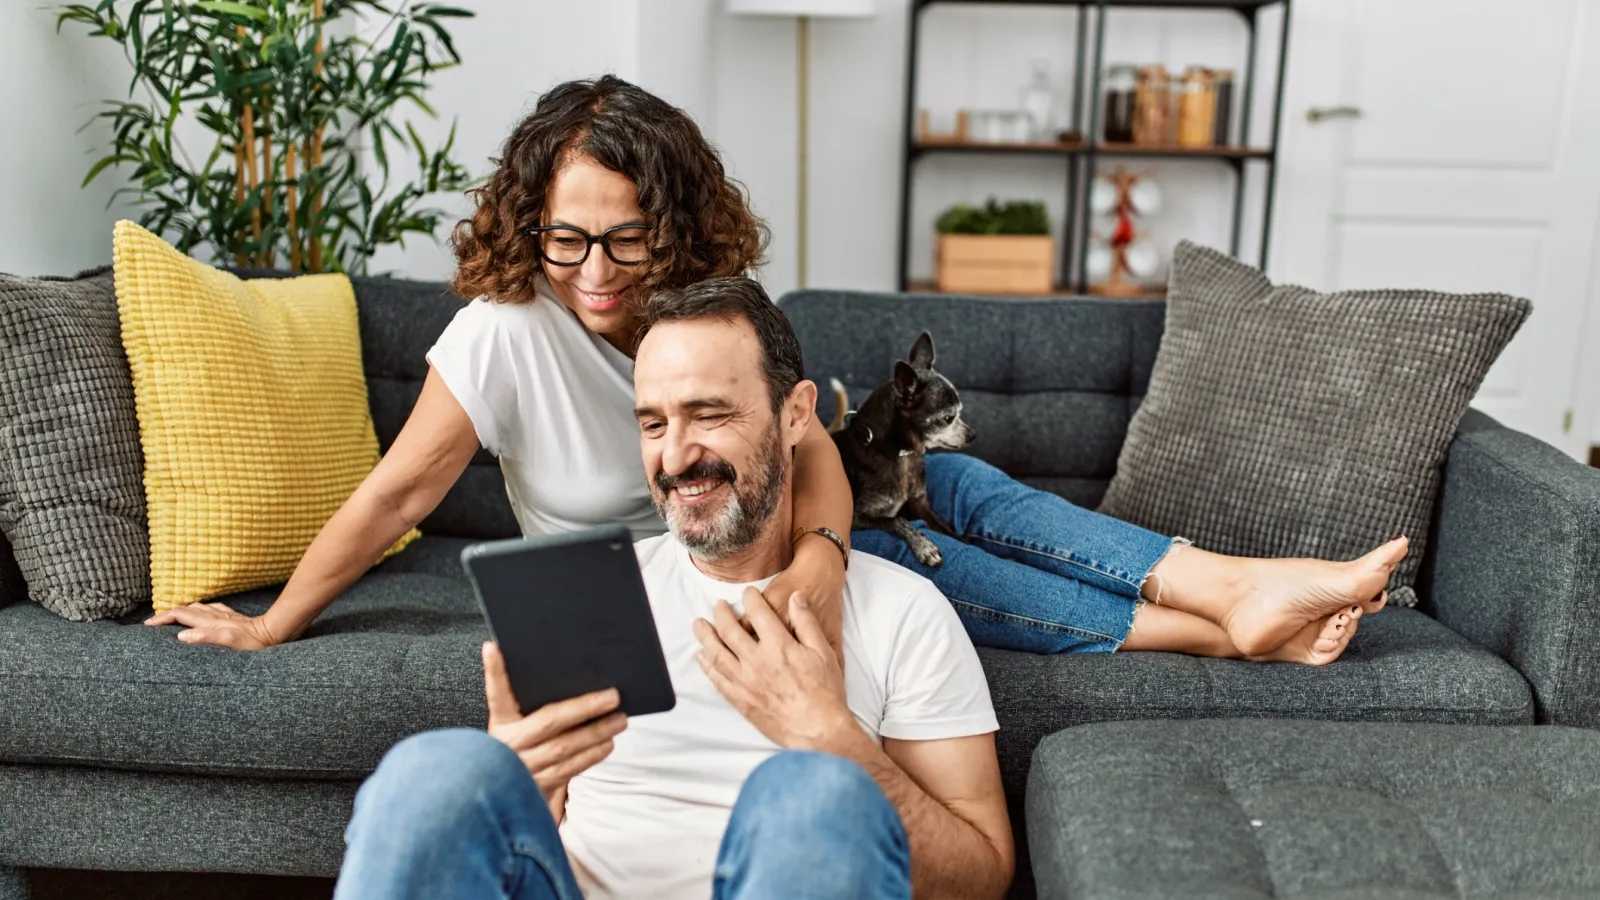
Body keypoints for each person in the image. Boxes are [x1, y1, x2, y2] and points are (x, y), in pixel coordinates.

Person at [146, 75, 1402, 664]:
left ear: (672, 224)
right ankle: (1224, 634)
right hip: (656, 590)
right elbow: (395, 498)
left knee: (947, 489)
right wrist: (272, 627)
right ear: (532, 223)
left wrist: (816, 554)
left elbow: (808, 461)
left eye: (624, 237)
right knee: (919, 562)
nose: (591, 267)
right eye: (564, 234)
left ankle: (1232, 588)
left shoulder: (711, 315)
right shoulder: (502, 329)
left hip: (767, 535)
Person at [333, 278, 1013, 900]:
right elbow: (524, 841)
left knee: (816, 795)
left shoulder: (903, 612)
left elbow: (983, 874)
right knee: (434, 775)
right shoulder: (589, 593)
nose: (675, 455)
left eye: (709, 414)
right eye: (653, 423)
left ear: (796, 414)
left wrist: (834, 740)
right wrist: (522, 778)